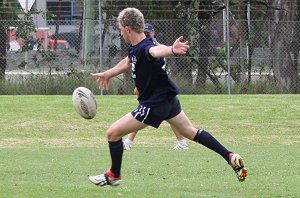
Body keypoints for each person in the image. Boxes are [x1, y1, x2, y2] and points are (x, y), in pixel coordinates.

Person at [89, 7, 247, 187]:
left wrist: (172, 49)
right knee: (190, 132)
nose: (120, 32)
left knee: (113, 133)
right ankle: (230, 156)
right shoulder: (137, 47)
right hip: (168, 100)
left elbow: (157, 51)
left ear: (127, 28)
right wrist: (108, 74)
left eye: (119, 29)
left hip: (154, 104)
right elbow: (127, 62)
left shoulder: (147, 47)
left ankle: (114, 175)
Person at [123, 22, 189, 151]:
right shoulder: (142, 46)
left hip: (158, 89)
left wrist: (172, 49)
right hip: (154, 88)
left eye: (149, 32)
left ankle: (128, 142)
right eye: (145, 32)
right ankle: (182, 142)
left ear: (153, 33)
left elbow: (153, 64)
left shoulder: (154, 48)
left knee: (142, 114)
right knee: (171, 117)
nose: (147, 34)